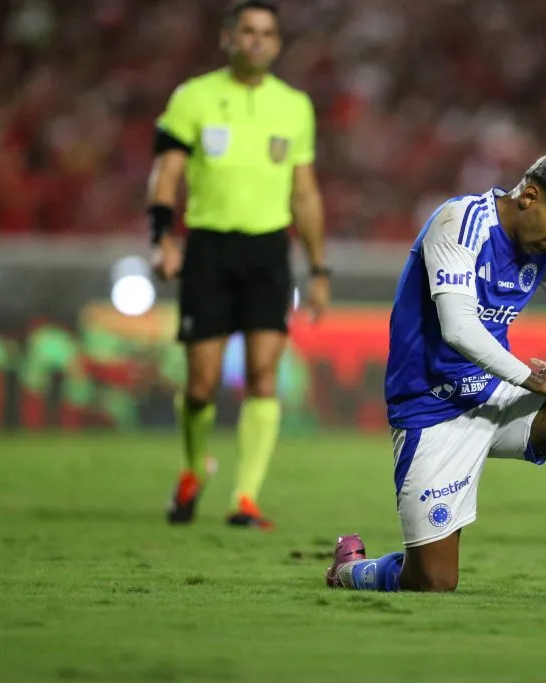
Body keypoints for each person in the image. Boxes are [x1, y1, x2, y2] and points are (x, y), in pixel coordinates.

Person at [323, 151, 546, 594]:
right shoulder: (459, 223)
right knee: (432, 583)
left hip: (496, 398)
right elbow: (458, 328)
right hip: (432, 409)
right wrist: (533, 378)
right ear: (530, 196)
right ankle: (350, 568)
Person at [147, 0, 329, 529]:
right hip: (207, 247)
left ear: (276, 43)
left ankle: (244, 498)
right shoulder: (193, 97)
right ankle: (191, 469)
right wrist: (162, 239)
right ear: (228, 38)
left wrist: (318, 271)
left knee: (262, 375)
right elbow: (164, 174)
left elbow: (306, 194)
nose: (257, 40)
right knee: (201, 383)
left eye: (267, 32)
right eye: (247, 31)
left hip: (269, 251)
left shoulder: (294, 105)